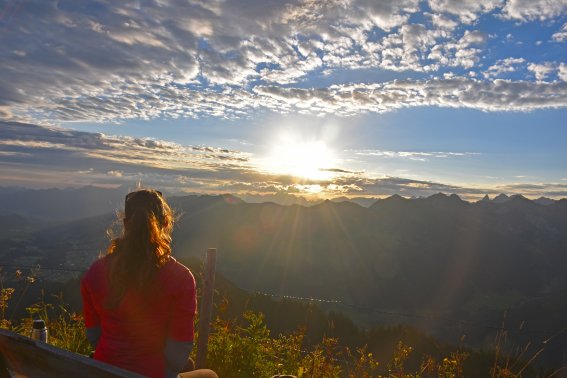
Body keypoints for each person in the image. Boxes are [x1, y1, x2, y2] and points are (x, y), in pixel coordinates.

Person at [81, 189, 217, 378]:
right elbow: (177, 352)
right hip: (153, 373)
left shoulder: (95, 273)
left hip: (104, 370)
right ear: (166, 223)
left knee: (189, 364)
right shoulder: (181, 279)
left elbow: (94, 336)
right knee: (208, 375)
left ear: (125, 223)